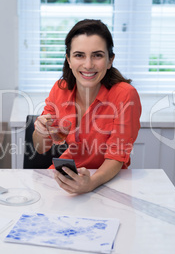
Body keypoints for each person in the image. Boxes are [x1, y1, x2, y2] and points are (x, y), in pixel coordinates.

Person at [33, 19, 141, 194]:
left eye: (97, 55)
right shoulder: (60, 89)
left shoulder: (125, 95)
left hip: (108, 182)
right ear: (69, 59)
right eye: (79, 55)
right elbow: (41, 147)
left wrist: (90, 184)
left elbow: (116, 156)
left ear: (110, 60)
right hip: (65, 177)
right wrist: (40, 130)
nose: (88, 65)